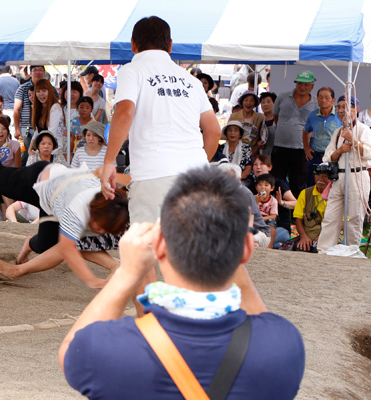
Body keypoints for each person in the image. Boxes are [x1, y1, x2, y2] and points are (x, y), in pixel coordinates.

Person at [60, 167, 305, 399]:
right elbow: (260, 322)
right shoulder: (283, 346)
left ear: (159, 247)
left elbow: (70, 352)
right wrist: (236, 251)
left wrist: (127, 273)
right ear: (246, 250)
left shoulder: (111, 349)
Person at [101, 17, 221, 311]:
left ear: (133, 45)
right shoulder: (191, 81)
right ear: (170, 45)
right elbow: (214, 130)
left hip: (155, 174)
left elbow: (124, 112)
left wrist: (108, 162)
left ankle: (150, 327)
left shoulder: (133, 69)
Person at [0, 118, 129, 289]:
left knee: (45, 244)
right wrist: (90, 280)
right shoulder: (77, 210)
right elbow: (66, 249)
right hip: (37, 180)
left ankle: (29, 244)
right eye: (100, 227)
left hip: (57, 198)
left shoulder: (114, 202)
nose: (100, 232)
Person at [317, 95, 371, 252]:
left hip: (357, 175)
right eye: (339, 107)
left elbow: (369, 153)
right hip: (339, 176)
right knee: (330, 216)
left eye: (345, 107)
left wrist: (353, 141)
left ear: (356, 109)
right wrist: (340, 150)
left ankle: (352, 250)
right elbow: (327, 157)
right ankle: (324, 250)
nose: (341, 110)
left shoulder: (364, 129)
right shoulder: (338, 132)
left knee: (355, 217)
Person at [272, 71, 318, 197]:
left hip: (301, 149)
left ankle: (296, 215)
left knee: (298, 184)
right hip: (280, 146)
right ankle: (277, 213)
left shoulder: (315, 103)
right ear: (296, 83)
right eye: (300, 83)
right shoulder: (282, 97)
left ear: (312, 86)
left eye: (306, 84)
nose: (302, 87)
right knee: (276, 182)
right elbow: (275, 116)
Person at [249, 154, 297, 248]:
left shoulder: (278, 184)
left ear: (270, 167)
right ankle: (278, 246)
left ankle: (272, 246)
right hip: (257, 227)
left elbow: (296, 203)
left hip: (279, 226)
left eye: (262, 164)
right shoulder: (251, 188)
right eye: (255, 164)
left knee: (269, 237)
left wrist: (282, 202)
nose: (258, 167)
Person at [303, 87, 342, 186]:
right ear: (317, 99)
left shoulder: (340, 115)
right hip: (316, 156)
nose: (323, 100)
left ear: (333, 100)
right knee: (313, 185)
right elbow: (305, 131)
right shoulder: (313, 115)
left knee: (333, 186)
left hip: (334, 157)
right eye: (320, 97)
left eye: (327, 97)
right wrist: (306, 148)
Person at [288, 165, 329, 252]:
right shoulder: (305, 193)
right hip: (309, 234)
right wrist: (303, 237)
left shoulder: (337, 195)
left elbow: (342, 222)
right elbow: (298, 218)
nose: (320, 179)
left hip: (330, 235)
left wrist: (324, 236)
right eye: (318, 175)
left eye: (325, 176)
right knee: (300, 249)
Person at [14, 65, 45, 159]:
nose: (38, 72)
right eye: (35, 70)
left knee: (42, 155)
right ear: (30, 73)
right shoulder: (22, 88)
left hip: (43, 128)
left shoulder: (49, 88)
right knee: (24, 156)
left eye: (40, 70)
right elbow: (17, 109)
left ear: (44, 72)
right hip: (26, 128)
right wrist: (17, 129)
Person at [33, 78, 65, 155]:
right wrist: (30, 149)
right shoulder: (39, 108)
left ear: (50, 91)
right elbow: (37, 131)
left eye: (44, 91)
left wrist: (39, 150)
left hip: (53, 150)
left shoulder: (55, 107)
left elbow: (51, 132)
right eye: (38, 91)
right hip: (42, 149)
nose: (41, 94)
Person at [229, 90, 265, 156]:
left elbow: (263, 134)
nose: (249, 103)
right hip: (236, 153)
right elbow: (228, 134)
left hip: (253, 153)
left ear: (255, 103)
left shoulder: (261, 117)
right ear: (242, 102)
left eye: (251, 100)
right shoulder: (234, 116)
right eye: (246, 100)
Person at [254, 173, 278, 247]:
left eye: (266, 185)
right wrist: (257, 201)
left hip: (266, 221)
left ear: (272, 188)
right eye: (260, 185)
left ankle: (270, 245)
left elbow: (273, 216)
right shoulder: (253, 198)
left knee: (272, 223)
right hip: (255, 220)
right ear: (256, 187)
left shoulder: (273, 201)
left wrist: (262, 219)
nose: (263, 187)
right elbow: (251, 212)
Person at [259, 92, 277, 156]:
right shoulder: (262, 122)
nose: (265, 104)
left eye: (268, 102)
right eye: (263, 102)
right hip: (264, 156)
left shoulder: (279, 120)